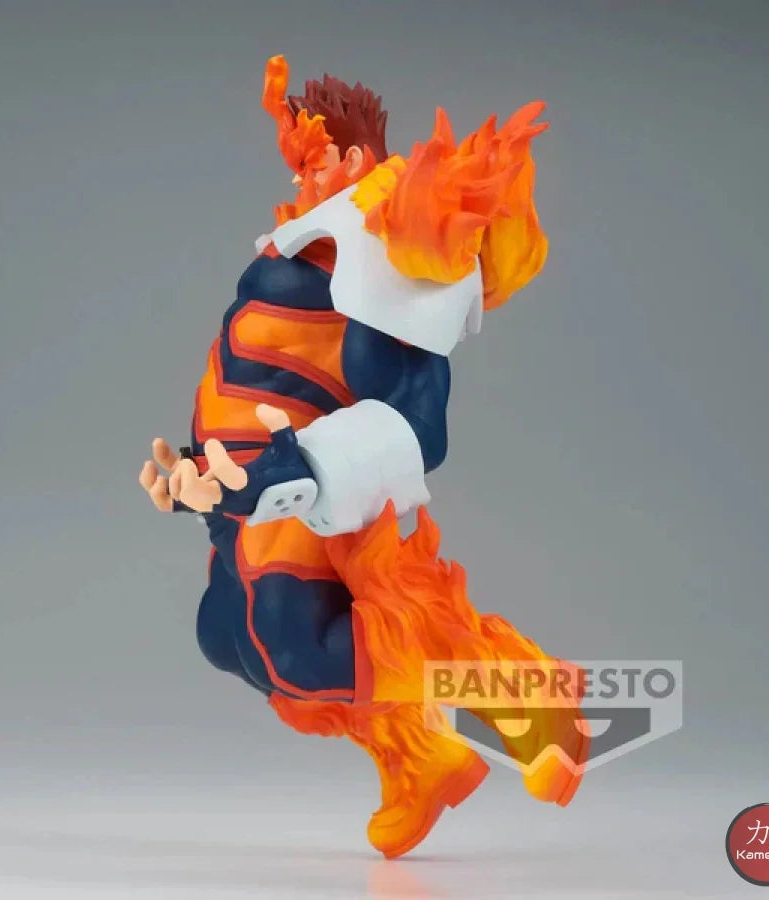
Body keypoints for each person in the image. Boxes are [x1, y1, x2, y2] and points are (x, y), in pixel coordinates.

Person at [139, 54, 588, 859]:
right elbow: (253, 367)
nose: (303, 176)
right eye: (297, 162)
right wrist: (196, 476)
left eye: (314, 159)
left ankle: (516, 686)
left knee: (296, 646)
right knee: (227, 635)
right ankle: (418, 757)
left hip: (305, 490)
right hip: (241, 490)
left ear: (353, 159)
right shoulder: (298, 248)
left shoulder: (384, 257)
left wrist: (292, 474)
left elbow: (416, 426)